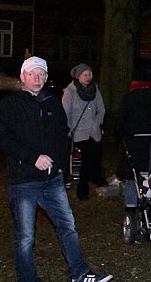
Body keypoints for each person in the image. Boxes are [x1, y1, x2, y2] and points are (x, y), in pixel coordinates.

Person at [0, 56, 112, 282]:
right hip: (24, 182)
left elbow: (62, 134)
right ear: (23, 76)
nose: (37, 79)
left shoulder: (52, 101)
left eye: (41, 75)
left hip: (52, 180)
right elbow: (2, 139)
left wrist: (57, 165)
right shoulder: (11, 104)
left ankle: (80, 274)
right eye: (32, 74)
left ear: (46, 77)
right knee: (25, 237)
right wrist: (32, 158)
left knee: (67, 226)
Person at [114, 78, 151, 210]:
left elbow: (120, 121)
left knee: (132, 174)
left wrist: (119, 137)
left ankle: (131, 203)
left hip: (133, 142)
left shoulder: (129, 99)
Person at [62, 63, 107, 201]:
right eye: (85, 75)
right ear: (78, 76)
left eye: (90, 74)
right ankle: (83, 188)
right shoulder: (70, 91)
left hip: (93, 131)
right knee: (89, 156)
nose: (88, 77)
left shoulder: (95, 89)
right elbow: (65, 113)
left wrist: (97, 123)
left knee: (95, 154)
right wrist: (68, 130)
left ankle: (96, 178)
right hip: (78, 132)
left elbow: (101, 108)